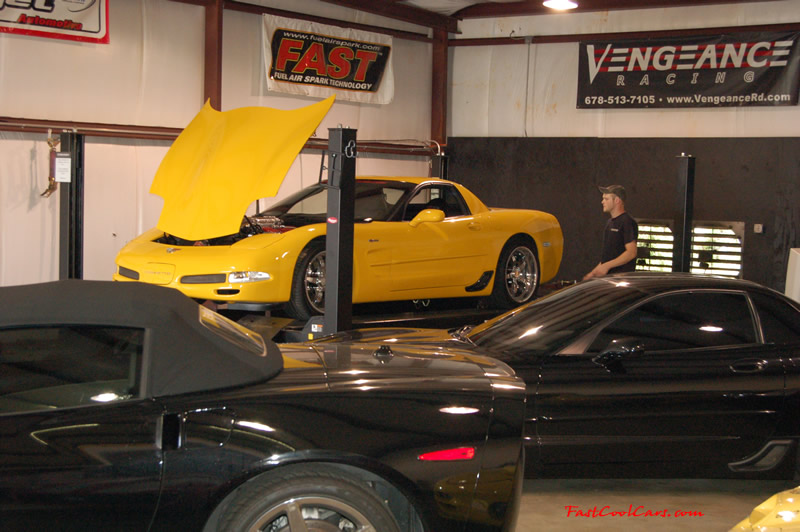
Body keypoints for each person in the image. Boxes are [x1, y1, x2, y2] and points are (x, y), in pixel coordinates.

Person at [583, 184, 638, 280]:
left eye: (606, 199)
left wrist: (606, 266)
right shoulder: (609, 223)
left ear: (617, 200)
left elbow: (631, 253)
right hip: (608, 279)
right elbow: (608, 257)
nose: (602, 202)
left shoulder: (627, 222)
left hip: (621, 280)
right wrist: (593, 273)